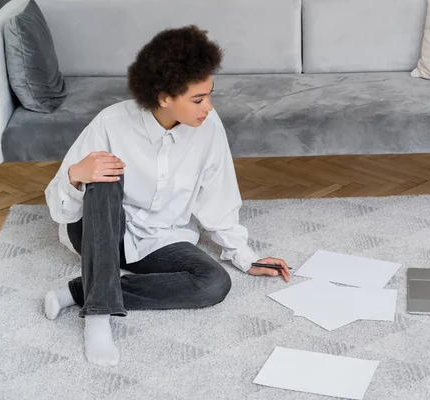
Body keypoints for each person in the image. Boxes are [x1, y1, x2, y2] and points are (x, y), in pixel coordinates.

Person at [43, 25, 290, 367]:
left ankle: (80, 291)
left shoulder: (209, 127)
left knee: (213, 283)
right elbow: (60, 210)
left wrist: (245, 256)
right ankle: (98, 316)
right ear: (164, 97)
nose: (208, 107)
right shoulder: (110, 123)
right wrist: (75, 176)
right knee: (104, 174)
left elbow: (217, 194)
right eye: (198, 99)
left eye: (210, 95)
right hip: (99, 234)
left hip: (159, 238)